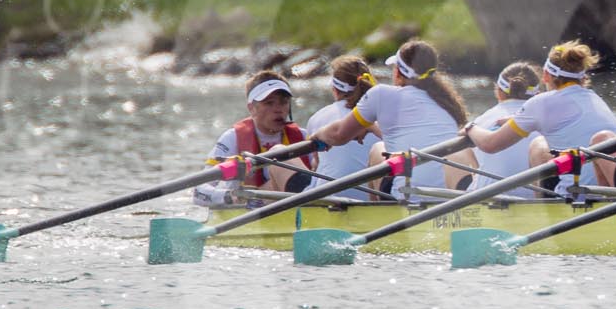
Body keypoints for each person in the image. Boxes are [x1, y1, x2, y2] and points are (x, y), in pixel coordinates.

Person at [311, 39, 471, 196]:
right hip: (448, 198)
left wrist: (318, 135)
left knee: (377, 150)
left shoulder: (381, 94)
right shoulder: (446, 102)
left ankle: (378, 214)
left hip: (406, 196)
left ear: (398, 72)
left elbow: (339, 134)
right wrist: (371, 126)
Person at [464, 42, 616, 190]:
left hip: (575, 197)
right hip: (612, 194)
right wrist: (517, 121)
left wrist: (471, 128)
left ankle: (544, 211)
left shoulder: (542, 103)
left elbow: (490, 145)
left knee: (538, 146)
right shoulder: (595, 99)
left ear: (546, 76)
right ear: (582, 77)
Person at [198, 69, 317, 204]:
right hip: (250, 208)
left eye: (283, 102)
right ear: (251, 108)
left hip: (293, 202)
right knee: (278, 153)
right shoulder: (232, 138)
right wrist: (228, 197)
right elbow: (199, 191)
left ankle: (313, 205)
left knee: (279, 153)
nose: (278, 109)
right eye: (269, 103)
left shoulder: (302, 136)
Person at [462, 61, 548, 198]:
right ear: (537, 94)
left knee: (457, 155)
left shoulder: (481, 121)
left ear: (498, 92)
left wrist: (469, 127)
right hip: (537, 201)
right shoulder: (550, 121)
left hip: (489, 200)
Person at [303, 55, 378, 199]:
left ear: (334, 90)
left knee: (278, 152)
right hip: (374, 199)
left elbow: (316, 165)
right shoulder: (383, 115)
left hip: (329, 199)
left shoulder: (317, 118)